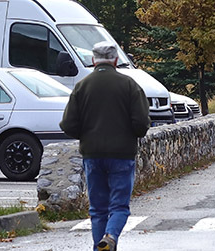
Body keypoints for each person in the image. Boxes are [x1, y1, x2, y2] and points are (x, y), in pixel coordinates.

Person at [60, 41, 151, 251]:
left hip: (92, 154)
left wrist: (85, 136)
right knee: (119, 206)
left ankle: (99, 247)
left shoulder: (82, 86)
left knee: (98, 209)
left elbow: (68, 124)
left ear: (93, 60)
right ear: (116, 60)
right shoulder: (129, 85)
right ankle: (110, 237)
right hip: (122, 154)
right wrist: (133, 134)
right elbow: (141, 123)